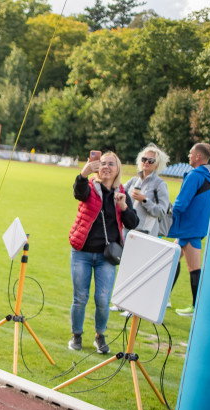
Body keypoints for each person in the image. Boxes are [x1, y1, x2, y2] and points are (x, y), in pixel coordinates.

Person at [68, 151, 139, 354]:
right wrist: (84, 173)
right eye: (103, 163)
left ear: (117, 170)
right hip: (81, 252)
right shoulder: (90, 187)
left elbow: (132, 223)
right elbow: (78, 193)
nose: (106, 167)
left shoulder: (121, 192)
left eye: (111, 164)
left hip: (106, 256)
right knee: (80, 297)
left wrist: (123, 205)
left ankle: (100, 335)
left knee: (102, 298)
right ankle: (77, 336)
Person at [168, 142, 210, 316]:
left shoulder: (195, 175)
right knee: (171, 260)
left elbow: (181, 203)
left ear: (197, 156)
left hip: (189, 228)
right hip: (198, 225)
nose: (188, 155)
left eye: (190, 153)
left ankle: (196, 308)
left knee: (193, 268)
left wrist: (169, 214)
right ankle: (164, 299)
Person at [124, 144, 171, 238]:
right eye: (144, 159)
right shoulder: (133, 181)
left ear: (157, 165)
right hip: (127, 229)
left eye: (151, 161)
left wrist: (145, 200)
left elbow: (161, 212)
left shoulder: (160, 184)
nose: (147, 162)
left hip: (145, 233)